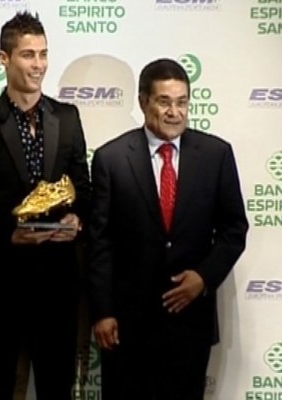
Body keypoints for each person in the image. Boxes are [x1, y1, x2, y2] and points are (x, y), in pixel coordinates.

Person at [87, 58, 248, 400]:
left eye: (182, 102)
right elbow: (99, 242)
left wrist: (203, 277)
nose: (175, 112)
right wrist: (103, 311)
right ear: (143, 102)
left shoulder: (216, 154)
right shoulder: (110, 159)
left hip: (189, 321)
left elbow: (234, 229)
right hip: (126, 326)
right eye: (164, 102)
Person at [0, 11, 91, 400]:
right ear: (4, 59)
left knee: (57, 388)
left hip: (59, 284)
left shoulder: (68, 117)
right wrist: (8, 232)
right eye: (28, 54)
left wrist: (77, 217)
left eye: (43, 54)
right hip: (2, 284)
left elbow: (82, 187)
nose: (39, 64)